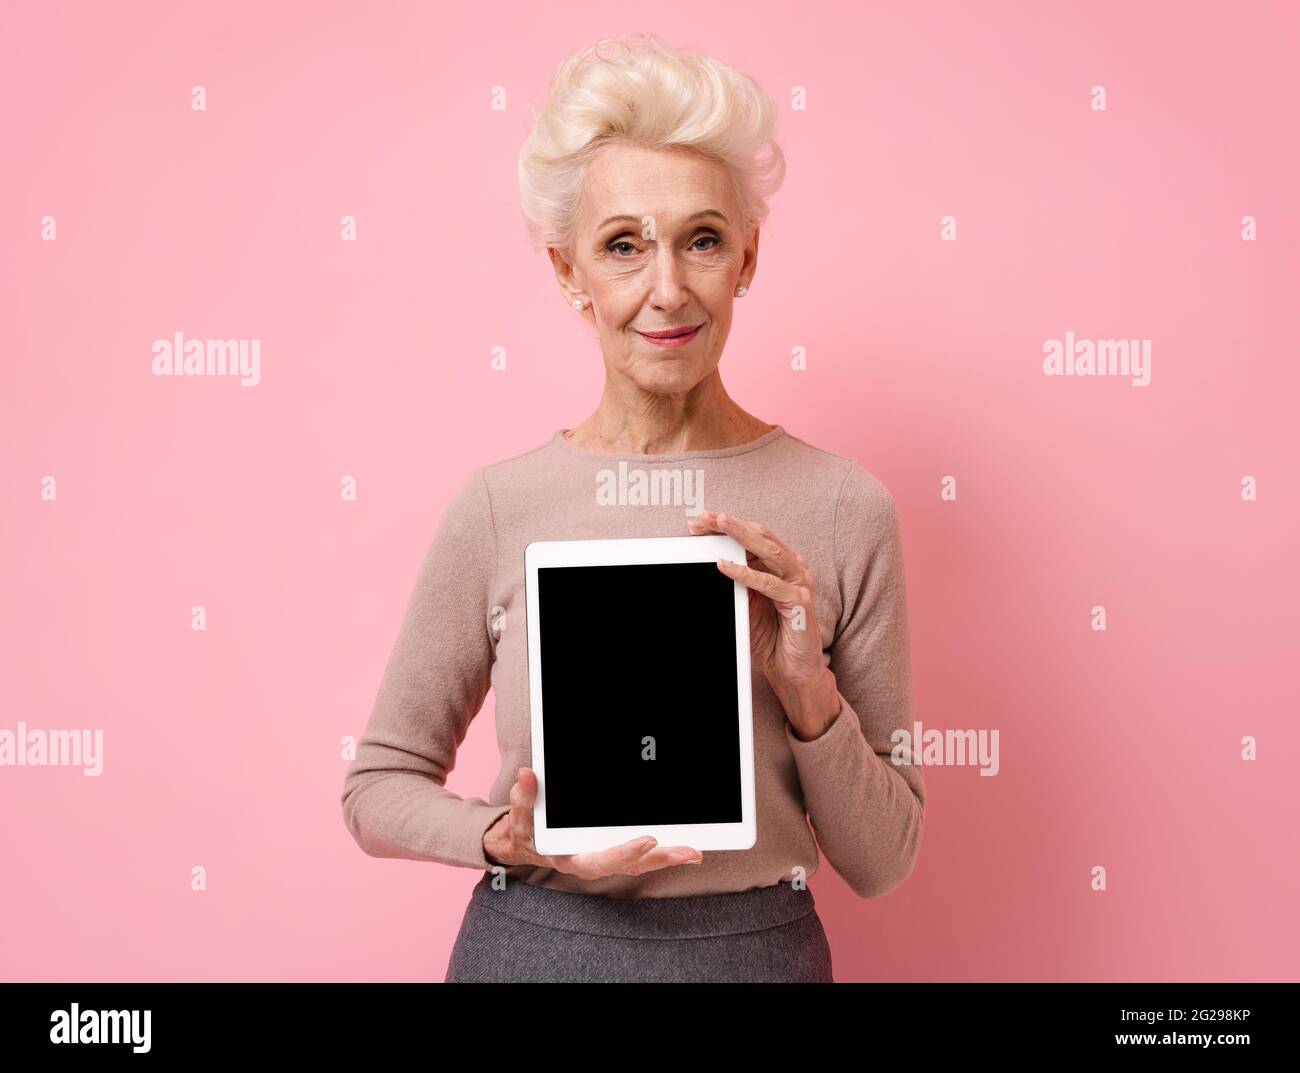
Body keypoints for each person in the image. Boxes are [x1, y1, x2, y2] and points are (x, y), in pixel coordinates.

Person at [340, 30, 925, 983]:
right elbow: (377, 787)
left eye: (702, 239)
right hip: (535, 953)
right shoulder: (500, 505)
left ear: (746, 258)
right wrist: (511, 838)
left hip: (759, 957)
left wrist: (808, 691)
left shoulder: (844, 507)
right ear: (569, 270)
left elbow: (885, 859)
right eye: (622, 246)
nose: (667, 289)